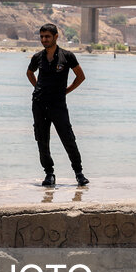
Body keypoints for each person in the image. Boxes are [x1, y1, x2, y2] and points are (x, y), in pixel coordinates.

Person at [27, 24, 88, 187]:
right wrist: (37, 87)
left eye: (47, 36)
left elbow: (81, 77)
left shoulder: (67, 56)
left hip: (58, 105)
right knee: (42, 139)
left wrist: (66, 91)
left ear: (55, 37)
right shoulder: (37, 57)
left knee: (68, 138)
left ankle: (79, 173)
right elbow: (29, 73)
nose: (44, 40)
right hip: (39, 104)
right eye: (41, 37)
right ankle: (49, 173)